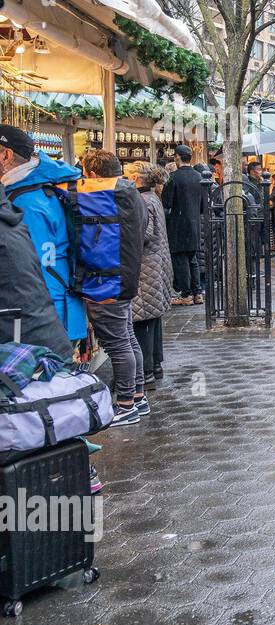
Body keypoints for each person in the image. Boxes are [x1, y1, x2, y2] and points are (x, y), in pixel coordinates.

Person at [0, 125, 86, 349]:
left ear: (5, 155)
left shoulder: (25, 203)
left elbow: (30, 268)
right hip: (55, 313)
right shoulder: (35, 190)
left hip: (45, 320)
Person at [80, 149, 148, 428]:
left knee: (118, 344)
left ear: (94, 176)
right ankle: (138, 395)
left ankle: (126, 404)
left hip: (107, 281)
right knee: (127, 338)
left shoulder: (106, 198)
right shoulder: (131, 194)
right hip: (123, 277)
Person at [126, 162, 173, 387]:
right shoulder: (153, 198)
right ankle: (154, 365)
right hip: (156, 264)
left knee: (143, 319)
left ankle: (145, 371)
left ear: (136, 178)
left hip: (146, 266)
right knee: (152, 318)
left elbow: (143, 234)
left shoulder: (142, 201)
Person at [161, 143, 206, 305]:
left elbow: (166, 203)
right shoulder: (199, 177)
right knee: (192, 258)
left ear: (177, 157)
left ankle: (186, 295)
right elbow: (203, 205)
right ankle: (197, 292)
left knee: (180, 260)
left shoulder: (173, 177)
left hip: (178, 224)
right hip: (194, 222)